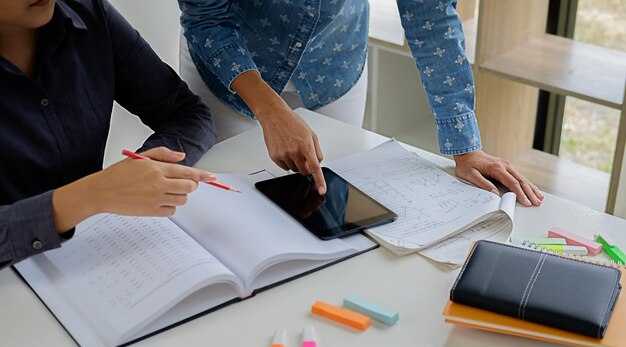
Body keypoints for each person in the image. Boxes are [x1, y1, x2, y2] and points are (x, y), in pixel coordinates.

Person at [177, 0, 544, 206]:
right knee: (221, 204)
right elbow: (207, 17)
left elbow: (431, 18)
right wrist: (269, 109)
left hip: (334, 64)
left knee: (335, 207)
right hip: (230, 72)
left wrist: (467, 148)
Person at [0, 0, 218, 269]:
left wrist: (144, 173)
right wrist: (92, 195)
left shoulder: (89, 13)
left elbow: (187, 113)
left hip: (100, 253)